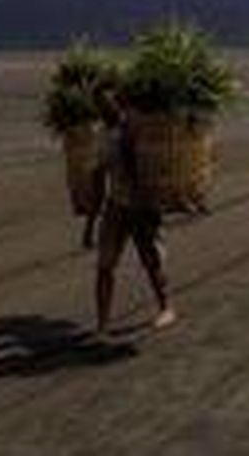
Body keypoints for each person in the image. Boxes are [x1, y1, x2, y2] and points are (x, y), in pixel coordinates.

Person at [94, 93, 176, 333]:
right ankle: (102, 322)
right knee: (104, 265)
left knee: (152, 262)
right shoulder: (104, 135)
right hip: (116, 206)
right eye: (99, 105)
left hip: (143, 207)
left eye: (106, 102)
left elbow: (149, 167)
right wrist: (91, 219)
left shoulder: (136, 128)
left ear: (118, 102)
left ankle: (166, 308)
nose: (103, 108)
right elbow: (99, 174)